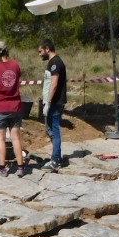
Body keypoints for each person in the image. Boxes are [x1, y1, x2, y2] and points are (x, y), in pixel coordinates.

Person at [0, 41, 27, 178]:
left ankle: (2, 168)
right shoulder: (15, 65)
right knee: (15, 138)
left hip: (0, 106)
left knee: (1, 139)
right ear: (6, 50)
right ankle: (21, 167)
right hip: (15, 105)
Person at [38, 38, 67, 172]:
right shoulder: (52, 62)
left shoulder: (55, 63)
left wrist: (48, 102)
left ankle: (55, 160)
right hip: (51, 102)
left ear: (47, 49)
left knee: (54, 131)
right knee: (49, 130)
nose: (39, 54)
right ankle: (56, 156)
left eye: (40, 51)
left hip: (55, 103)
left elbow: (54, 83)